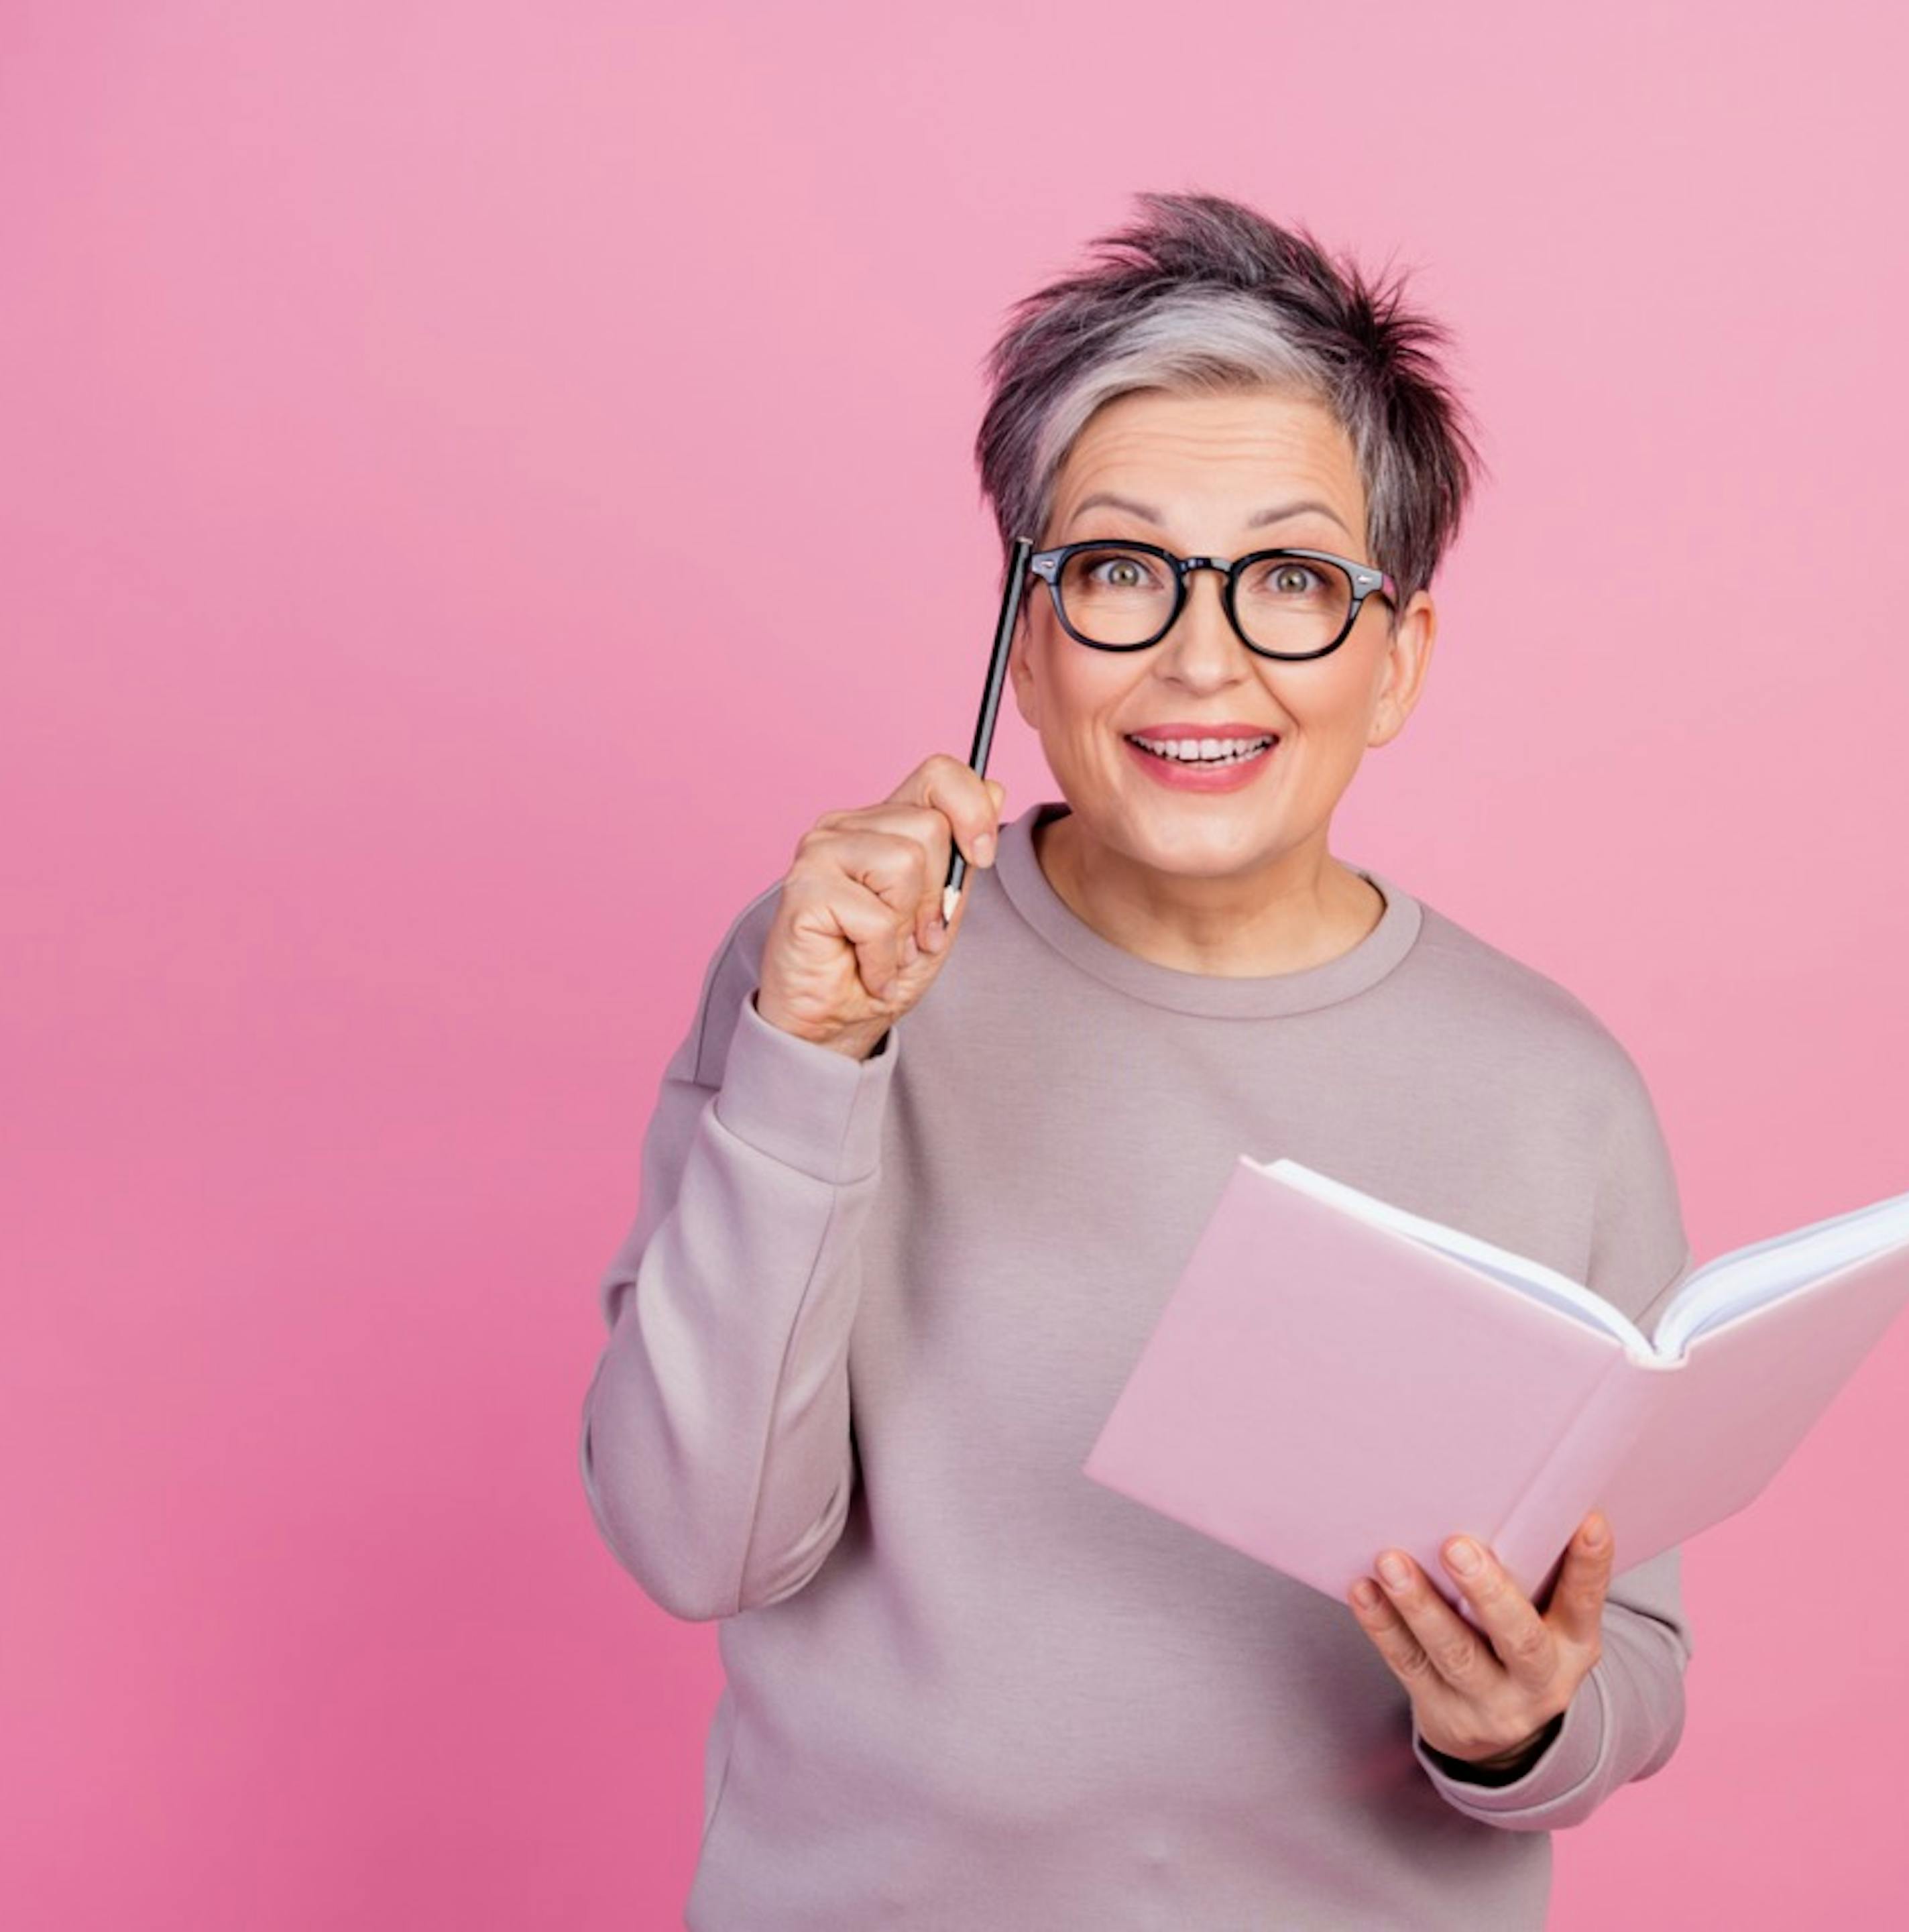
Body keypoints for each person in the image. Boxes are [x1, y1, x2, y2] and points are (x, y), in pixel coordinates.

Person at [579, 190, 1697, 1929]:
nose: (1201, 653)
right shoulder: (827, 977)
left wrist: (1522, 1719)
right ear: (1026, 638)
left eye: (1295, 580)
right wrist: (815, 1056)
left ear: (1397, 654)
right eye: (1118, 568)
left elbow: (1629, 1655)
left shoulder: (1552, 1089)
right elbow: (695, 1538)